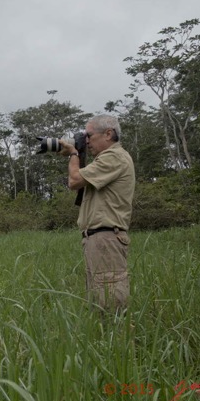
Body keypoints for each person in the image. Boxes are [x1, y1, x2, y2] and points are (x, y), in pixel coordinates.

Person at [58, 115, 135, 314]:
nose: (87, 141)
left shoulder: (114, 157)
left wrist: (74, 153)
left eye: (89, 136)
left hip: (106, 238)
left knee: (110, 305)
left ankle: (120, 343)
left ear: (108, 134)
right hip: (100, 239)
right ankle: (111, 343)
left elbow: (74, 180)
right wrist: (77, 153)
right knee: (99, 303)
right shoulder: (105, 161)